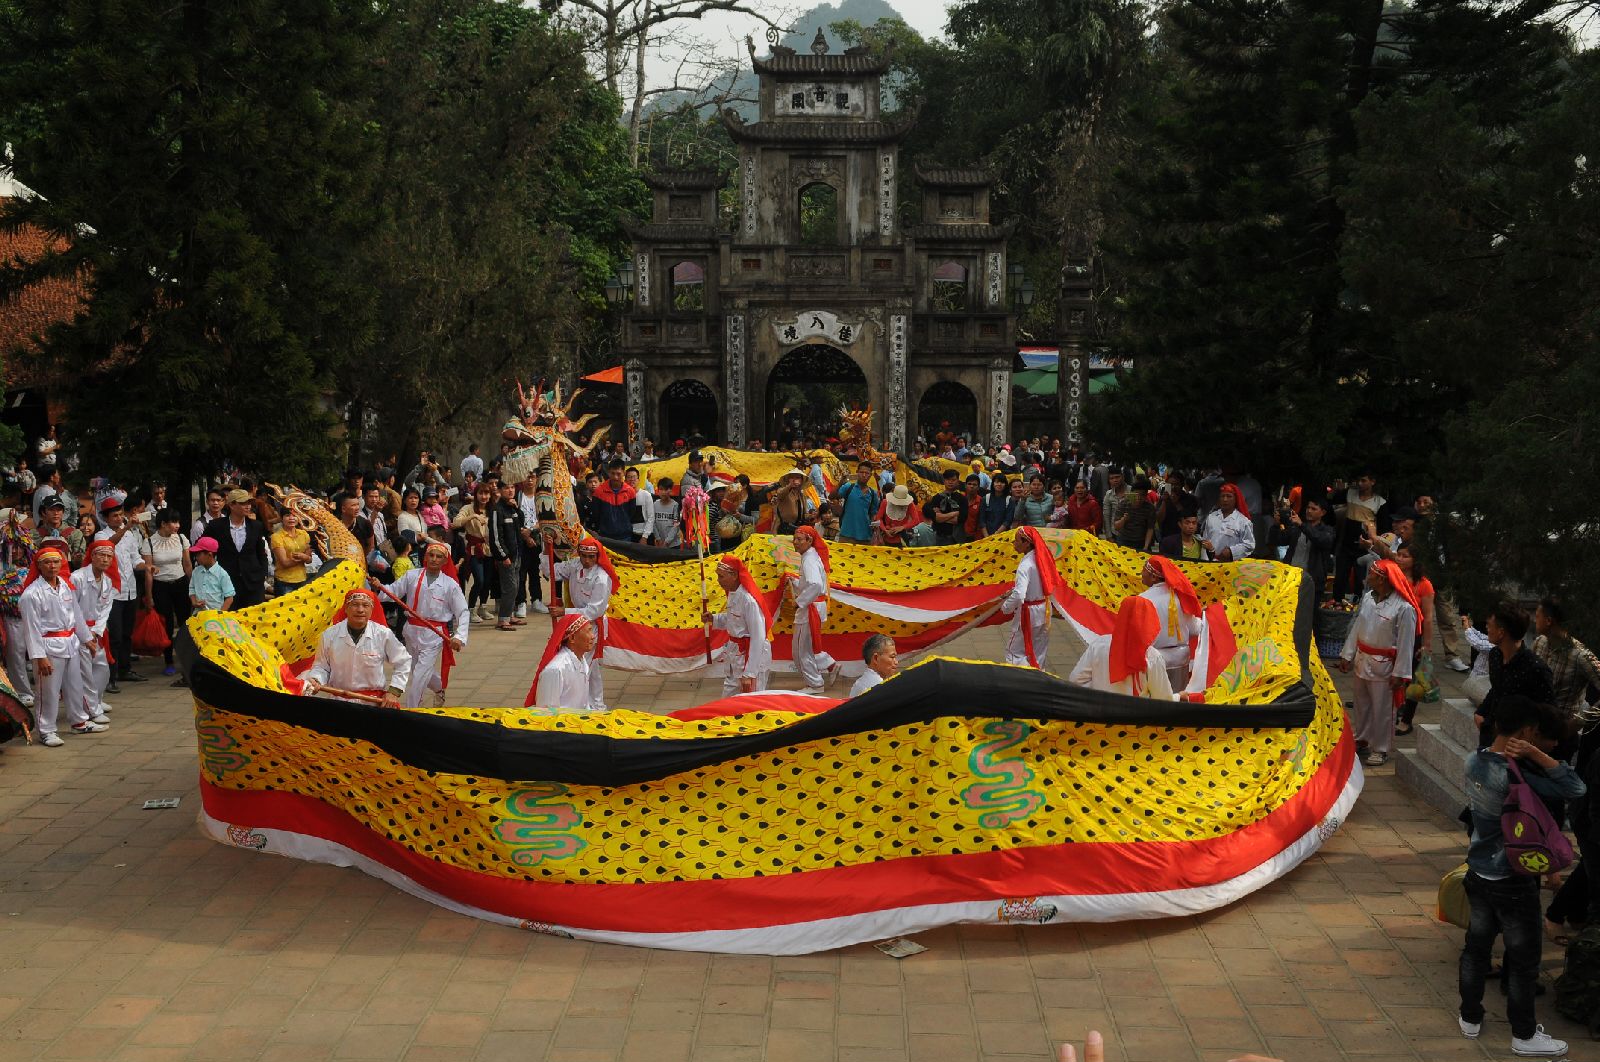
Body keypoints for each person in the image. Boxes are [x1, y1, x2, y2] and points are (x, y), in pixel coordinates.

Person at [1458, 695, 1579, 1059]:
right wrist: (1537, 755)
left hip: (1478, 871)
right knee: (1524, 961)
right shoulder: (1515, 775)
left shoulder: (1473, 761)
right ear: (1526, 732)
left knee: (1476, 949)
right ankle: (1524, 1035)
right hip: (1512, 878)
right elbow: (1575, 788)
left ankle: (1469, 1016)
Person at [1337, 559, 1419, 768]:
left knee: (1383, 708)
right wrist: (1347, 654)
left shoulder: (1404, 608)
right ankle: (1362, 737)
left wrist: (1401, 673)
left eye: (1372, 574)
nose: (1368, 577)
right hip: (1362, 659)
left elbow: (1406, 642)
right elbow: (1358, 627)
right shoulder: (1368, 598)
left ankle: (1380, 748)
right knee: (1361, 703)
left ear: (1382, 579)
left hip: (1384, 666)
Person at [21, 543, 96, 746]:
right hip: (48, 645)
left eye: (56, 561)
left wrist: (87, 638)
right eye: (47, 562)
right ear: (39, 566)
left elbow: (77, 615)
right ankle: (46, 729)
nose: (52, 566)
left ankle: (79, 721)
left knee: (74, 684)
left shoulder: (65, 585)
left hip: (70, 642)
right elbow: (31, 629)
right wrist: (39, 656)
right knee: (49, 690)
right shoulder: (31, 594)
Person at [385, 540, 469, 709]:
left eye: (439, 557)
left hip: (434, 635)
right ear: (425, 556)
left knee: (417, 677)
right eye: (431, 555)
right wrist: (376, 589)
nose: (434, 559)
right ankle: (439, 689)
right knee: (419, 670)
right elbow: (392, 591)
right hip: (410, 631)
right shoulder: (412, 576)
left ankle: (412, 711)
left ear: (445, 561)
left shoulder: (450, 585)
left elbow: (463, 612)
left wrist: (459, 637)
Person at [302, 588, 412, 707]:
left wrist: (394, 691)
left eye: (365, 605)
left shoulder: (383, 634)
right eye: (355, 605)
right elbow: (321, 666)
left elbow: (403, 661)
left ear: (371, 610)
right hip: (338, 701)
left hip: (372, 702)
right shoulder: (329, 635)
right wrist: (316, 680)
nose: (360, 610)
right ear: (346, 608)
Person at [549, 538, 616, 710]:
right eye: (584, 556)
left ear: (597, 557)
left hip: (591, 626)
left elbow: (594, 611)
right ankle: (595, 705)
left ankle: (587, 705)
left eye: (591, 557)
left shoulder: (601, 578)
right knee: (588, 666)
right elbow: (551, 571)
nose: (587, 560)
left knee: (583, 665)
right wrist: (545, 549)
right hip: (575, 624)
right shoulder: (574, 565)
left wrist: (564, 612)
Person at [1477, 601, 1555, 747]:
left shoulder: (1536, 668)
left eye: (1490, 625)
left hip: (1517, 745)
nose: (1486, 628)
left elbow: (1548, 711)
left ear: (1501, 632)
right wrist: (1480, 713)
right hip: (1491, 736)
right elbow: (1497, 689)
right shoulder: (1495, 655)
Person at [1069, 595, 1175, 699]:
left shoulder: (1099, 645)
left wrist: (1101, 691)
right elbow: (1163, 699)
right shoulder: (1152, 656)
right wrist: (1179, 697)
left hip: (1100, 712)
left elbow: (1076, 680)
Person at [704, 555, 771, 696]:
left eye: (721, 576)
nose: (718, 580)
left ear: (734, 575)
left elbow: (758, 637)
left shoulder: (749, 601)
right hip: (735, 656)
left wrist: (750, 673)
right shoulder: (733, 594)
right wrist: (713, 618)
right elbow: (733, 621)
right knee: (728, 700)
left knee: (751, 704)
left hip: (751, 658)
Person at [1532, 595, 1600, 730]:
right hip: (1534, 728)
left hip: (1561, 734)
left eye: (1537, 616)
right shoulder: (1539, 642)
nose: (1534, 620)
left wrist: (1576, 723)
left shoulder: (1581, 655)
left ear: (1548, 621)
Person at [102, 501, 151, 685]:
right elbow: (108, 545)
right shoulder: (102, 534)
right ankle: (110, 676)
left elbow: (135, 559)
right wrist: (127, 527)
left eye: (120, 514)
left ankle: (125, 669)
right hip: (113, 593)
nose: (119, 518)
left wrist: (146, 567)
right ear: (106, 518)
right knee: (114, 635)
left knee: (127, 634)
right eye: (114, 515)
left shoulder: (129, 535)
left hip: (130, 590)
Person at [1001, 526, 1062, 670]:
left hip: (1029, 613)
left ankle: (1019, 679)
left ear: (1026, 543)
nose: (1014, 543)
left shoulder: (1026, 565)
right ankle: (1038, 676)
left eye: (1016, 541)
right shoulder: (1041, 559)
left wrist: (1006, 607)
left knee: (1015, 651)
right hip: (1044, 609)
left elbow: (1020, 594)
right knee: (1039, 649)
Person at [70, 541, 116, 727]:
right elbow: (73, 609)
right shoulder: (77, 578)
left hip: (97, 631)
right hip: (79, 631)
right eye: (101, 555)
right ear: (93, 556)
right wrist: (86, 636)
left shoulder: (108, 581)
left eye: (109, 556)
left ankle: (95, 701)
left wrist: (97, 631)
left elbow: (105, 609)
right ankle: (91, 710)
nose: (105, 559)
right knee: (85, 673)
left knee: (102, 668)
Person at [1139, 556, 1202, 691]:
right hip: (1181, 658)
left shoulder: (1142, 600)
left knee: (1155, 701)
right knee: (1178, 698)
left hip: (1153, 659)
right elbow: (1195, 629)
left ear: (1154, 577)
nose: (1141, 573)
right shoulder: (1181, 598)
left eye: (1144, 569)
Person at [787, 524, 837, 690]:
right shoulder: (811, 555)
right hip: (815, 606)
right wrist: (794, 581)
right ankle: (830, 666)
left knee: (802, 651)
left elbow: (815, 585)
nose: (795, 542)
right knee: (805, 647)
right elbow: (811, 583)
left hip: (811, 609)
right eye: (794, 539)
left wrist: (799, 601)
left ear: (809, 541)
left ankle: (815, 684)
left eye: (799, 539)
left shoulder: (809, 558)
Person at [146, 509, 192, 682]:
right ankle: (168, 660)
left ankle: (186, 659)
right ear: (163, 524)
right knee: (166, 623)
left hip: (180, 583)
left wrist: (193, 586)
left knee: (185, 622)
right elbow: (149, 571)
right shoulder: (149, 542)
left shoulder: (181, 539)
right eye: (173, 522)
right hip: (160, 585)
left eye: (178, 522)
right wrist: (149, 595)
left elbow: (187, 565)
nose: (177, 526)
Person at [204, 488, 268, 608]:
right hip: (226, 583)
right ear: (232, 505)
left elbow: (261, 553)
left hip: (253, 583)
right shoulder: (216, 526)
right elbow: (202, 548)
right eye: (243, 503)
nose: (248, 506)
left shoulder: (256, 526)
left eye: (249, 503)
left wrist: (262, 574)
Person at [525, 614, 598, 711]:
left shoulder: (582, 660)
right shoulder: (555, 670)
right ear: (572, 638)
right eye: (588, 631)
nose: (593, 636)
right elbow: (547, 713)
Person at [1272, 495, 1335, 605]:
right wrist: (1277, 525)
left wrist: (1302, 525)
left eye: (1313, 509)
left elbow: (1320, 540)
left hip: (1312, 581)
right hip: (1290, 578)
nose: (1309, 511)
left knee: (1309, 616)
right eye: (1308, 508)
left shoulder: (1328, 531)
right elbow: (1278, 540)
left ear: (1323, 513)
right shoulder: (1297, 527)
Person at [487, 479, 524, 631]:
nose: (510, 491)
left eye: (512, 487)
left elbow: (521, 525)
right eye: (507, 488)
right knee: (510, 587)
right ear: (500, 490)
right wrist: (503, 556)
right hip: (506, 556)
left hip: (517, 554)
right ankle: (503, 619)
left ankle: (510, 615)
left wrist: (517, 508)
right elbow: (496, 537)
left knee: (515, 586)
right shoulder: (497, 510)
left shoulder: (511, 508)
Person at [513, 473, 548, 618]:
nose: (529, 480)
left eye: (532, 477)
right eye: (527, 477)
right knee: (521, 572)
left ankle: (537, 600)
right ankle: (521, 602)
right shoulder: (517, 497)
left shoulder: (541, 497)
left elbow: (545, 518)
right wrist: (524, 534)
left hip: (537, 538)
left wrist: (532, 531)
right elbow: (513, 518)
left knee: (535, 571)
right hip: (520, 538)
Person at [1200, 483, 1255, 562]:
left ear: (1235, 499)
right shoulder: (1211, 517)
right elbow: (1205, 541)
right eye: (1222, 496)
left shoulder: (1243, 521)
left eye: (1229, 496)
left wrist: (1231, 551)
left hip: (1232, 564)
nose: (1225, 499)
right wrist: (1204, 561)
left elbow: (1249, 544)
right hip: (1211, 562)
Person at [832, 462, 879, 545]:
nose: (864, 475)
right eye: (861, 472)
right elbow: (831, 497)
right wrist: (840, 484)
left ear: (870, 475)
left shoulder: (873, 493)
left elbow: (873, 514)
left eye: (867, 473)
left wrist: (875, 526)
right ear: (857, 472)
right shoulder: (848, 487)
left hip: (865, 537)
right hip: (846, 535)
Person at [270, 508, 313, 597]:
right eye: (287, 516)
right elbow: (285, 563)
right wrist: (303, 557)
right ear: (281, 518)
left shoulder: (304, 534)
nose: (291, 518)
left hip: (302, 579)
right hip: (284, 581)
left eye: (294, 515)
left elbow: (309, 560)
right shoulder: (276, 537)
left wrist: (305, 557)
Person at [187, 537, 235, 611]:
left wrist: (220, 615)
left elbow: (229, 598)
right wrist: (194, 602)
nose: (196, 557)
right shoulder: (196, 571)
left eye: (198, 554)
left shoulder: (222, 574)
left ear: (209, 554)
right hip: (199, 614)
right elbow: (192, 588)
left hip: (215, 615)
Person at [924, 470, 967, 546]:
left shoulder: (962, 499)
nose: (950, 482)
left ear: (958, 481)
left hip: (957, 538)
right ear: (944, 481)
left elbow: (960, 519)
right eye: (948, 479)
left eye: (953, 480)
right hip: (940, 537)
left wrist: (941, 516)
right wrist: (954, 513)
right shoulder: (937, 498)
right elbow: (936, 518)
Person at [652, 478, 682, 547]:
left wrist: (666, 542)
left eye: (666, 489)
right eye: (661, 489)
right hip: (659, 543)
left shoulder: (675, 505)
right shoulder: (655, 504)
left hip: (673, 545)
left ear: (671, 490)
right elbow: (653, 523)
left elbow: (676, 526)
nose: (663, 492)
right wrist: (658, 539)